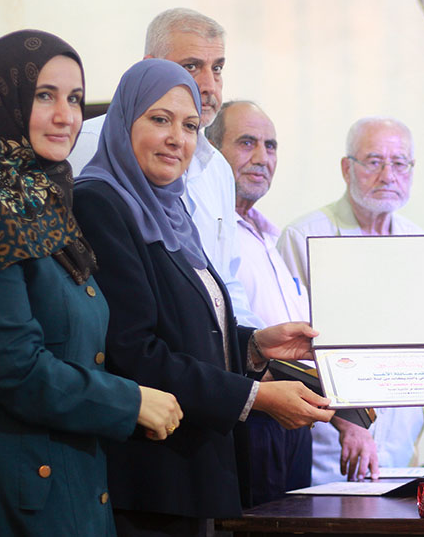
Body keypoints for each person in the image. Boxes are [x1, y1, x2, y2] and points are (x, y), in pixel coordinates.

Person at [0, 30, 182, 536]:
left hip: (59, 488)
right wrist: (131, 401)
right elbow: (17, 369)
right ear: (4, 99)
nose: (65, 116)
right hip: (1, 498)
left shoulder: (44, 202)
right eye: (44, 96)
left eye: (74, 99)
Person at [72, 59, 333, 536]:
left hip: (191, 468)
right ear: (123, 121)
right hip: (147, 478)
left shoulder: (171, 210)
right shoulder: (100, 203)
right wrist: (255, 397)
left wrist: (254, 346)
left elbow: (189, 329)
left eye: (190, 126)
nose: (178, 139)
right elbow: (132, 350)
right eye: (160, 119)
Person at [278, 116, 424, 484]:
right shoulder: (303, 237)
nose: (388, 176)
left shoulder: (422, 244)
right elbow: (289, 352)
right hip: (327, 445)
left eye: (399, 163)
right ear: (346, 168)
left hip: (400, 446)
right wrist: (348, 420)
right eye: (374, 161)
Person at [68, 7, 264, 328]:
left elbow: (226, 278)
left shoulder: (217, 168)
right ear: (148, 66)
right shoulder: (87, 146)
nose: (209, 85)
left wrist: (250, 344)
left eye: (217, 68)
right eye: (191, 66)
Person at [206, 101, 312, 504]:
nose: (262, 157)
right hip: (250, 414)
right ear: (212, 151)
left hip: (293, 422)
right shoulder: (210, 229)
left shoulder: (271, 236)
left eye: (271, 146)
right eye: (247, 142)